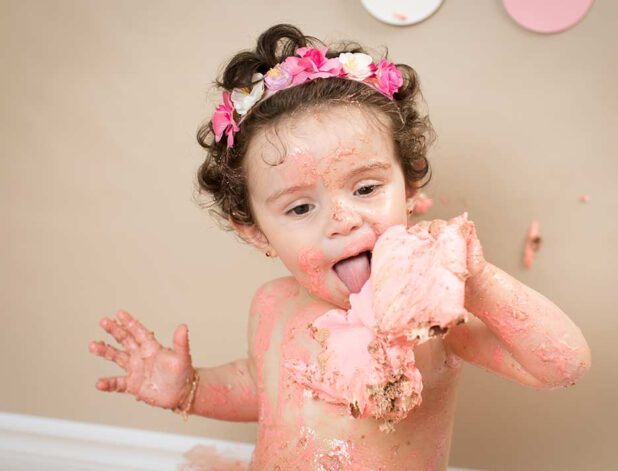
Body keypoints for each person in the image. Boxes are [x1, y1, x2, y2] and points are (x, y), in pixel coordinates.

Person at [88, 24, 591, 470]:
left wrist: (476, 278)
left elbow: (562, 366)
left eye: (366, 188)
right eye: (301, 208)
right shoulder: (272, 305)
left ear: (410, 187)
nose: (343, 221)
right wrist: (190, 388)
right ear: (256, 230)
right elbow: (264, 390)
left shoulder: (435, 317)